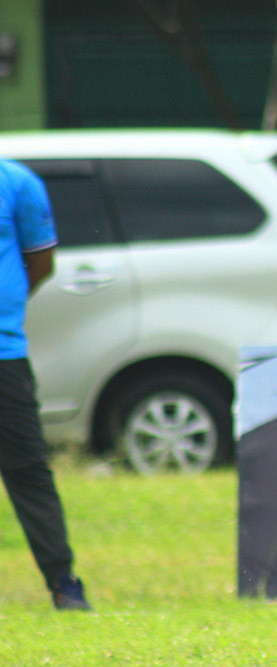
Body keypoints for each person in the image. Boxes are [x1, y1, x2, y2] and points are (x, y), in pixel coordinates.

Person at [0, 158, 91, 611]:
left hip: (4, 356)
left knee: (27, 470)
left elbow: (40, 263)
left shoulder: (17, 182)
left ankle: (62, 583)